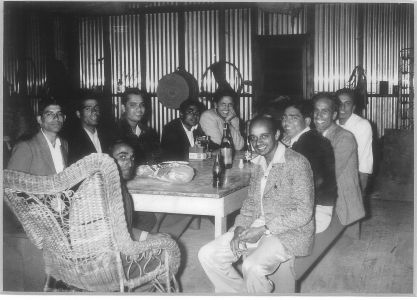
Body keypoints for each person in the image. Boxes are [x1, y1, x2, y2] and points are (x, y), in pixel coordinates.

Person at [198, 115, 314, 293]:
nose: (257, 142)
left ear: (276, 135)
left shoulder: (297, 163)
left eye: (263, 136)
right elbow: (251, 203)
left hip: (290, 232)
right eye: (253, 138)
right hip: (258, 224)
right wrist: (238, 229)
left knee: (252, 266)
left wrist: (263, 230)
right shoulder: (259, 162)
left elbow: (303, 212)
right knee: (208, 254)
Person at [281, 100, 337, 233]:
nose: (286, 123)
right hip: (310, 207)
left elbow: (306, 185)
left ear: (306, 121)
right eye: (284, 118)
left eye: (293, 118)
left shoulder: (310, 143)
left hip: (316, 211)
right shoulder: (304, 139)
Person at [312, 92, 365, 227]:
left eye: (325, 111)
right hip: (324, 196)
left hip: (340, 203)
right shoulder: (314, 136)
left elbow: (328, 176)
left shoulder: (344, 138)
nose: (318, 116)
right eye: (316, 111)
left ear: (334, 115)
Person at [109, 140, 159, 240]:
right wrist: (147, 236)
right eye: (123, 157)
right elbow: (112, 231)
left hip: (123, 232)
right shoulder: (106, 190)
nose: (130, 164)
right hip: (113, 245)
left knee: (150, 217)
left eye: (131, 158)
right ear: (108, 159)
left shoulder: (118, 184)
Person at [7, 98, 68, 175]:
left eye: (59, 114)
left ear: (64, 118)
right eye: (49, 114)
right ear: (39, 119)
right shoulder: (26, 147)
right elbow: (12, 182)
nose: (56, 118)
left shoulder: (64, 144)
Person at [336, 88, 373, 194]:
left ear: (353, 107)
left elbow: (363, 159)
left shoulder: (362, 125)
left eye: (347, 103)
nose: (342, 107)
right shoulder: (334, 123)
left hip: (355, 177)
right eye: (339, 103)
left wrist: (360, 188)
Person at [66, 90, 114, 164]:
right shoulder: (72, 142)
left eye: (96, 108)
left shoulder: (108, 136)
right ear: (79, 114)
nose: (94, 112)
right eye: (88, 109)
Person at [115, 88, 160, 165]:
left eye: (142, 105)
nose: (139, 109)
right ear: (123, 108)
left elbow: (157, 159)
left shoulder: (150, 133)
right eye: (133, 105)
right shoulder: (114, 132)